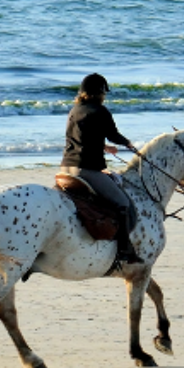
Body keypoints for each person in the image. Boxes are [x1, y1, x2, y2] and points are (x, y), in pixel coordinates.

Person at [62, 73, 140, 263]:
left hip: (66, 168)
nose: (104, 97)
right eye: (104, 94)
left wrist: (104, 147)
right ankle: (124, 249)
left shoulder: (75, 110)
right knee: (123, 203)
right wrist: (128, 143)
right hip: (87, 170)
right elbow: (112, 134)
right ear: (100, 93)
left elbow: (79, 139)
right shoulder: (100, 111)